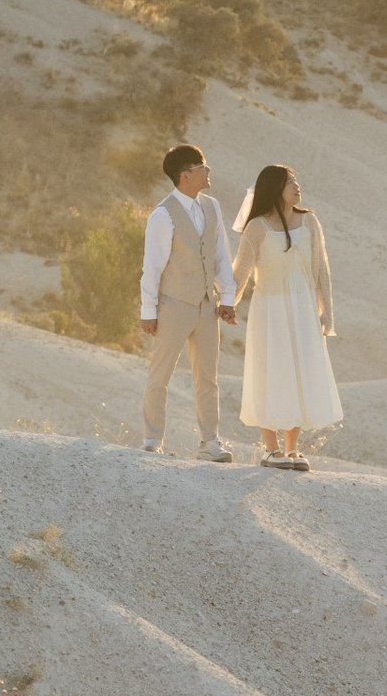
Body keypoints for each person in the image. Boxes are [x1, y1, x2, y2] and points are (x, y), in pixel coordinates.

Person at [231, 162, 340, 470]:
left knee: (300, 373)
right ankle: (270, 449)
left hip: (303, 308)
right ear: (274, 188)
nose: (297, 186)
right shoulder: (256, 227)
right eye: (290, 182)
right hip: (270, 309)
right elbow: (239, 274)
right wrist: (226, 303)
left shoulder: (310, 222)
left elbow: (321, 271)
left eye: (296, 180)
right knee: (271, 372)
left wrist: (325, 314)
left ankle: (293, 449)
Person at [137, 143, 236, 460]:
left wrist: (228, 296)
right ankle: (152, 439)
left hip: (207, 304)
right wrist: (148, 311)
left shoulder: (213, 207)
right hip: (174, 304)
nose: (208, 170)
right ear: (185, 174)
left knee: (208, 377)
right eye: (202, 166)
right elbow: (152, 267)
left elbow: (221, 254)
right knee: (160, 374)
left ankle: (210, 442)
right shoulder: (163, 215)